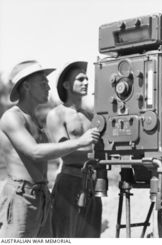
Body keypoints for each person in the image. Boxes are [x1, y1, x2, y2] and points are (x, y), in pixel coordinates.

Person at [0, 60, 100, 238]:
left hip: (42, 197)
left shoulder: (34, 120)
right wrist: (80, 142)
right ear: (27, 86)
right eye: (43, 83)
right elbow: (35, 152)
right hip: (22, 196)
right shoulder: (11, 117)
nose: (48, 87)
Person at [46, 61, 102, 238]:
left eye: (87, 79)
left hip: (92, 185)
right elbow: (64, 152)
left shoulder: (91, 116)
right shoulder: (57, 114)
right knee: (64, 237)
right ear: (66, 85)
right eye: (80, 79)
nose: (86, 82)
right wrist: (92, 149)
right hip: (70, 181)